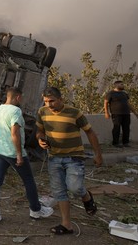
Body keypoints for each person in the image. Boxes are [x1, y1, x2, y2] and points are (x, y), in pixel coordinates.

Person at [36, 86, 103, 235]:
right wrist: (40, 139)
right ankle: (66, 225)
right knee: (59, 191)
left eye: (52, 101)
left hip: (74, 158)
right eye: (46, 101)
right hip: (54, 158)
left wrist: (98, 154)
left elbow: (90, 132)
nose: (49, 104)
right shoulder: (42, 112)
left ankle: (86, 196)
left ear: (61, 99)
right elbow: (39, 131)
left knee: (75, 188)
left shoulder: (74, 113)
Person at [0, 87, 54, 225]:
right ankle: (36, 210)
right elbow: (14, 134)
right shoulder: (16, 111)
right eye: (21, 98)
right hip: (12, 152)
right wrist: (19, 155)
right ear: (17, 97)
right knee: (28, 180)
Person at [104, 80, 138, 148]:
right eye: (121, 84)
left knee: (126, 128)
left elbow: (128, 104)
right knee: (116, 128)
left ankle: (126, 143)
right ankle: (115, 143)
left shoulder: (124, 93)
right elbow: (105, 103)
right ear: (116, 85)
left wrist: (135, 113)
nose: (123, 85)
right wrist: (106, 113)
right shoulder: (111, 93)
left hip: (126, 113)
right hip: (116, 114)